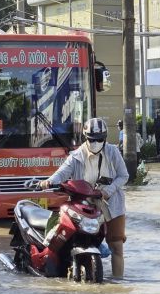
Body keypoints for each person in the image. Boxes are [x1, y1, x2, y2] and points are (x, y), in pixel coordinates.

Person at [38, 118, 129, 278]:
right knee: (69, 237)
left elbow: (123, 176)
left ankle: (118, 282)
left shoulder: (113, 152)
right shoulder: (76, 156)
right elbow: (62, 173)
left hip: (112, 204)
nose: (95, 143)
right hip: (85, 204)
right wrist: (49, 181)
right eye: (91, 139)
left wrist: (108, 190)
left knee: (116, 246)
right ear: (85, 138)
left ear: (105, 138)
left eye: (99, 139)